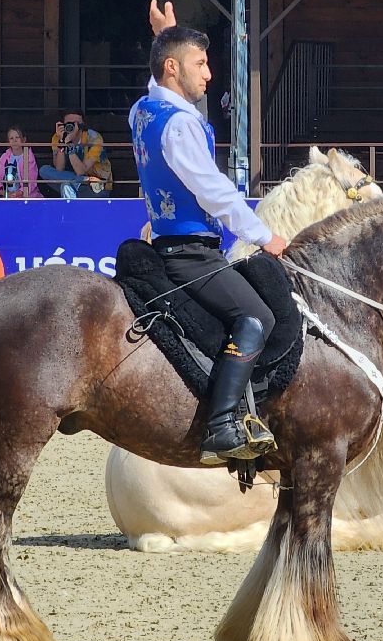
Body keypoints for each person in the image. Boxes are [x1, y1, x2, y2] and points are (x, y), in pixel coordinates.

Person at [133, 25, 289, 464]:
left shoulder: (143, 110)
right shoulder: (180, 124)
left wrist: (166, 38)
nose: (209, 74)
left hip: (169, 245)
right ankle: (221, 427)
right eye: (199, 64)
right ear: (172, 68)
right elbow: (212, 190)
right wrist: (263, 235)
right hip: (190, 253)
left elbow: (158, 88)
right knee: (256, 317)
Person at [41, 111, 113, 198]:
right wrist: (62, 142)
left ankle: (80, 182)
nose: (72, 127)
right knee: (44, 170)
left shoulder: (94, 138)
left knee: (66, 185)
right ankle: (83, 180)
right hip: (83, 181)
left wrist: (70, 144)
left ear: (82, 125)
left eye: (76, 124)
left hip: (96, 186)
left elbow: (81, 171)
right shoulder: (57, 137)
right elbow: (59, 168)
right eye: (68, 124)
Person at [0, 126, 42, 198]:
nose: (14, 140)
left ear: (24, 139)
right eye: (11, 138)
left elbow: (31, 181)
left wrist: (19, 193)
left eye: (17, 137)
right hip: (8, 196)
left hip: (28, 195)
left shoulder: (29, 157)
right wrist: (5, 193)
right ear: (8, 142)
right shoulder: (4, 157)